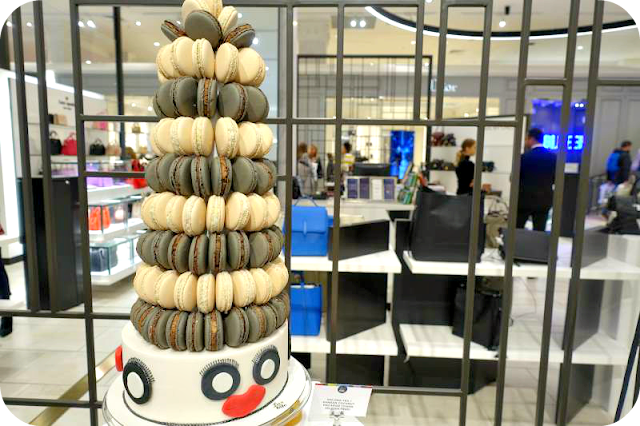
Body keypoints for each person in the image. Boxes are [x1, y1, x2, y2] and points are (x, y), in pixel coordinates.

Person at [517, 128, 557, 232]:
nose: (525, 141)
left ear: (532, 139)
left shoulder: (524, 157)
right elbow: (555, 179)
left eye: (526, 139)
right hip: (544, 199)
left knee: (518, 229)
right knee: (539, 230)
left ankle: (518, 243)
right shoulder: (553, 157)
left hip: (524, 199)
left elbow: (516, 178)